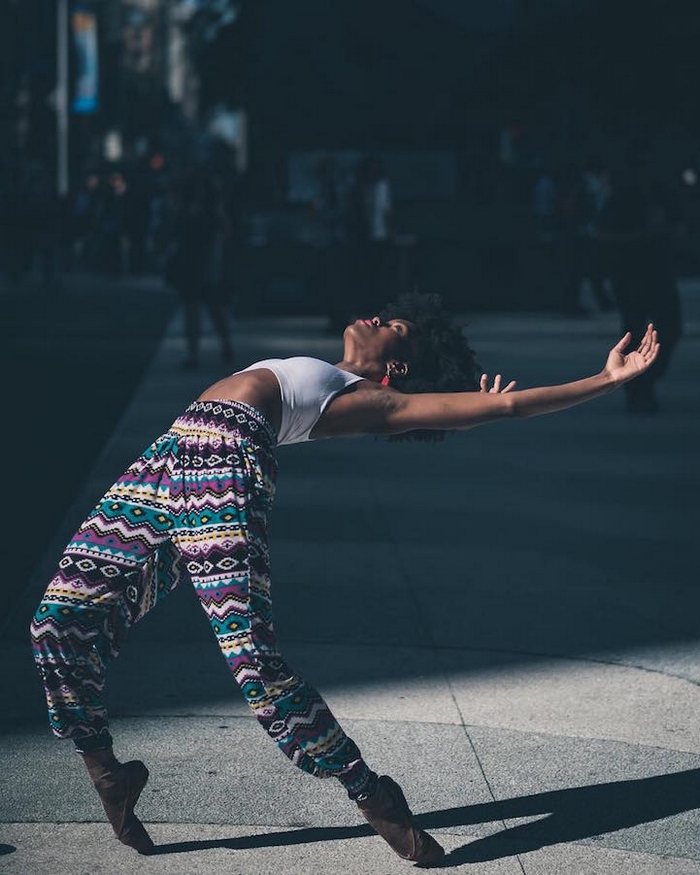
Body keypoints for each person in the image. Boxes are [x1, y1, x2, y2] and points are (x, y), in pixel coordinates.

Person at [30, 292, 659, 867]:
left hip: (221, 470)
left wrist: (604, 379)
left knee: (252, 659)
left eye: (392, 325)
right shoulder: (330, 373)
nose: (374, 317)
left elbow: (510, 406)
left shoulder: (374, 400)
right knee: (57, 621)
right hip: (166, 459)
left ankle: (372, 793)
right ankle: (107, 771)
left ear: (399, 369)